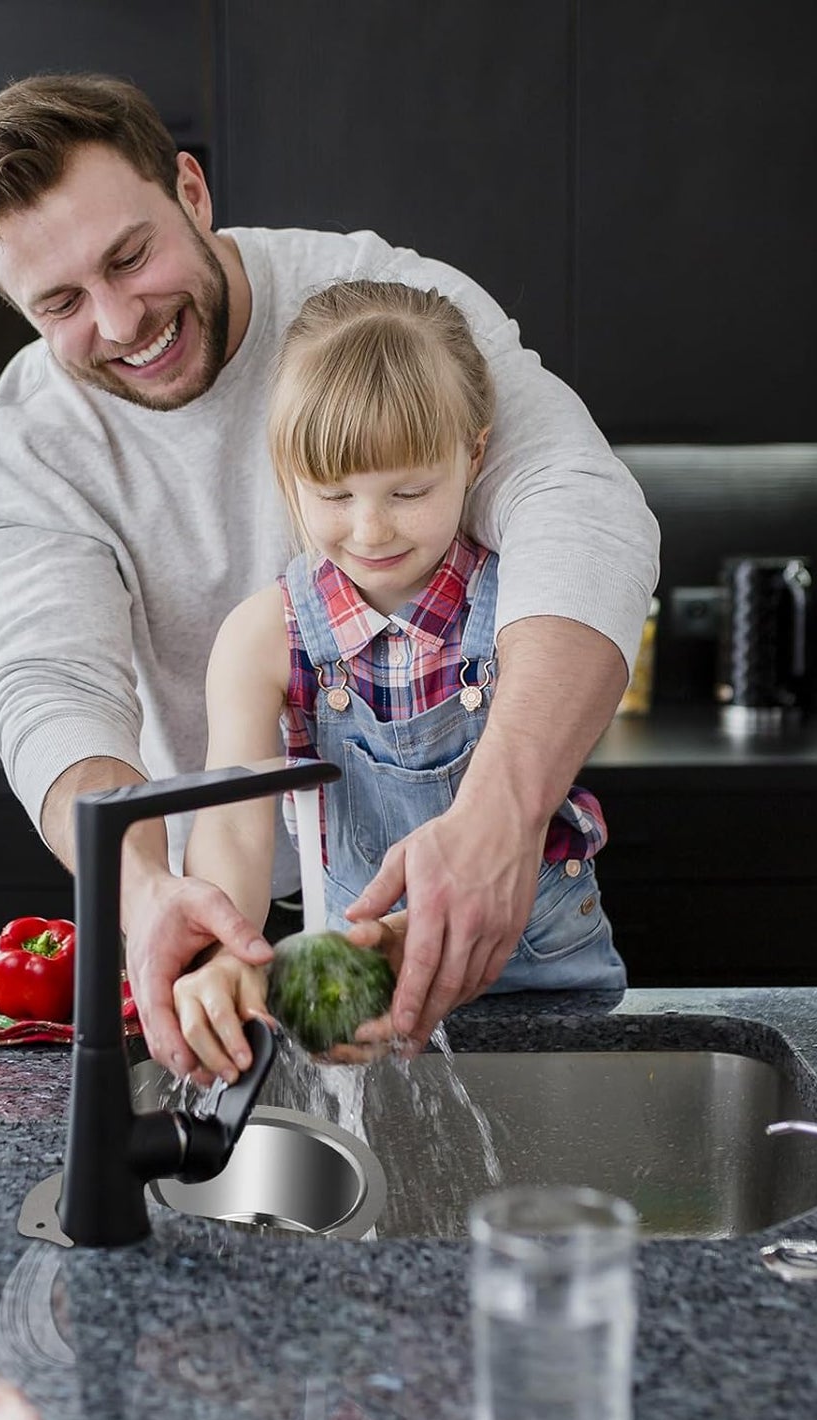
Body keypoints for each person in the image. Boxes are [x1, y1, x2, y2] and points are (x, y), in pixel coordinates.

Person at [0, 73, 659, 1078]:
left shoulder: (378, 309)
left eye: (129, 257)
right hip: (223, 908)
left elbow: (575, 503)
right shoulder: (22, 447)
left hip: (494, 907)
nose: (117, 320)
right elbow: (51, 683)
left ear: (190, 191)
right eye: (59, 303)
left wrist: (499, 819)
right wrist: (140, 890)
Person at [172, 281, 626, 1081]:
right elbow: (234, 829)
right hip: (366, 1006)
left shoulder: (529, 611)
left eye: (408, 492)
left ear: (473, 455)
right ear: (287, 474)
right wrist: (224, 951)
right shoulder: (261, 636)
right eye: (334, 494)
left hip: (552, 987)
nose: (370, 527)